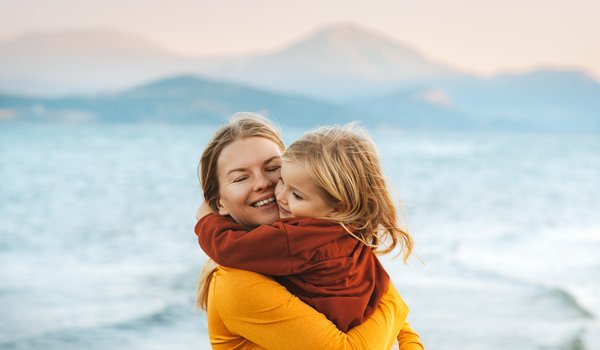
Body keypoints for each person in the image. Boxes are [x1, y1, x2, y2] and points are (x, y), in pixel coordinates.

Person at [195, 113, 423, 349]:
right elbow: (387, 312)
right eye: (241, 177)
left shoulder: (329, 242)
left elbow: (404, 329)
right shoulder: (236, 281)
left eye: (274, 169)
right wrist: (394, 303)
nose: (264, 184)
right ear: (218, 203)